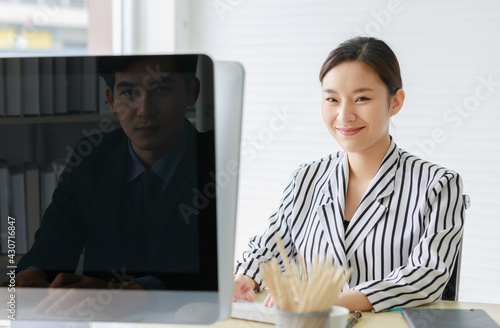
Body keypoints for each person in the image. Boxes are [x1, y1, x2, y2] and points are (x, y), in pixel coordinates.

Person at [233, 36, 466, 313]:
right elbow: (273, 246)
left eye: (362, 98)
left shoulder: (438, 185)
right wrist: (244, 277)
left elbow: (426, 276)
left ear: (396, 101)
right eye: (332, 99)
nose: (344, 115)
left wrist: (330, 300)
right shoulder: (306, 177)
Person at [14, 55, 217, 302]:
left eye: (161, 89)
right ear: (111, 100)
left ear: (191, 92)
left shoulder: (218, 156)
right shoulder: (92, 155)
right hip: (98, 318)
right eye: (129, 93)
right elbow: (53, 244)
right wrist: (32, 275)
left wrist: (138, 292)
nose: (144, 110)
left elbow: (223, 266)